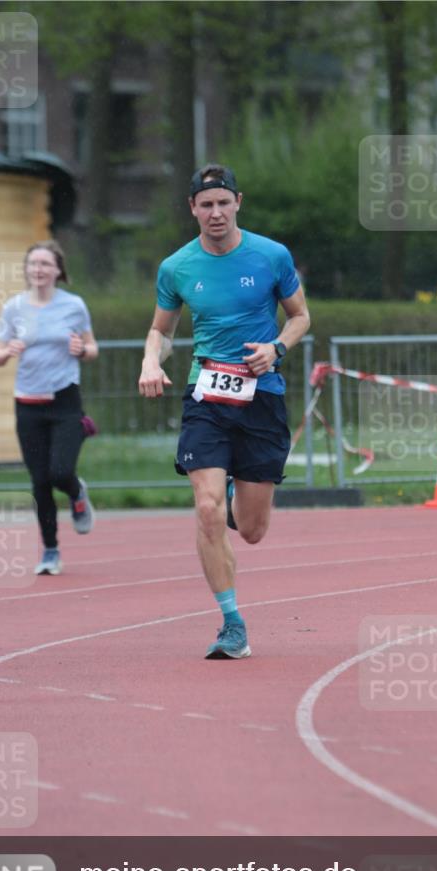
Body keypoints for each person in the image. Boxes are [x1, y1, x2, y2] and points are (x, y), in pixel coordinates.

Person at [139, 164, 310, 659]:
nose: (215, 213)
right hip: (206, 396)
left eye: (223, 203)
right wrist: (151, 359)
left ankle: (238, 491)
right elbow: (162, 331)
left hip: (262, 396)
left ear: (238, 202)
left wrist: (276, 348)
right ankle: (231, 623)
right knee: (207, 508)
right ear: (192, 209)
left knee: (252, 530)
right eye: (205, 205)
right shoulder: (177, 267)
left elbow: (300, 316)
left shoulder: (271, 255)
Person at [0, 240, 98, 575]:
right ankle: (50, 551)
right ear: (27, 269)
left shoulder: (74, 306)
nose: (38, 269)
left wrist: (81, 349)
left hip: (65, 400)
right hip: (27, 403)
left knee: (59, 472)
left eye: (45, 264)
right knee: (39, 481)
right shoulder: (14, 308)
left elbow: (92, 348)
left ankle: (77, 492)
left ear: (57, 270)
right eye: (33, 264)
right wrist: (7, 350)